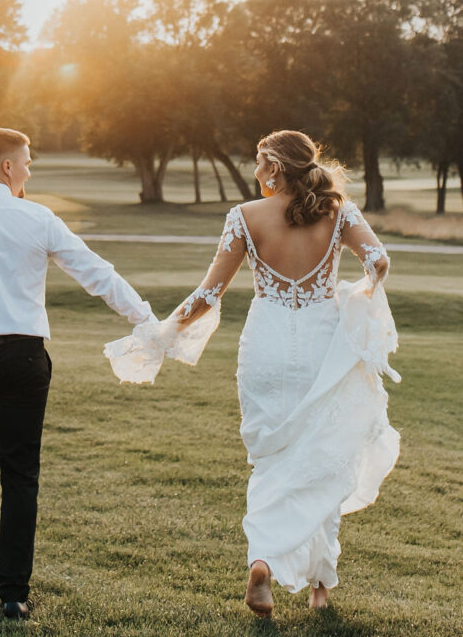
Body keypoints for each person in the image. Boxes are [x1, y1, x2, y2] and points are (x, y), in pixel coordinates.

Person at [105, 129, 400, 618]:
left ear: (275, 168)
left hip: (266, 345)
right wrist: (356, 297)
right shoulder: (339, 210)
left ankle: (263, 560)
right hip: (322, 345)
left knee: (272, 457)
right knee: (323, 454)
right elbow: (379, 261)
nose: (255, 170)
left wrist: (164, 332)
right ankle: (319, 584)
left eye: (260, 161)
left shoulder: (243, 216)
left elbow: (208, 294)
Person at [0, 127, 157, 621]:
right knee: (20, 471)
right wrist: (145, 318)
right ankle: (14, 592)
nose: (28, 171)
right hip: (23, 360)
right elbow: (96, 273)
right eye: (25, 162)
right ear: (6, 167)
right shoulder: (38, 218)